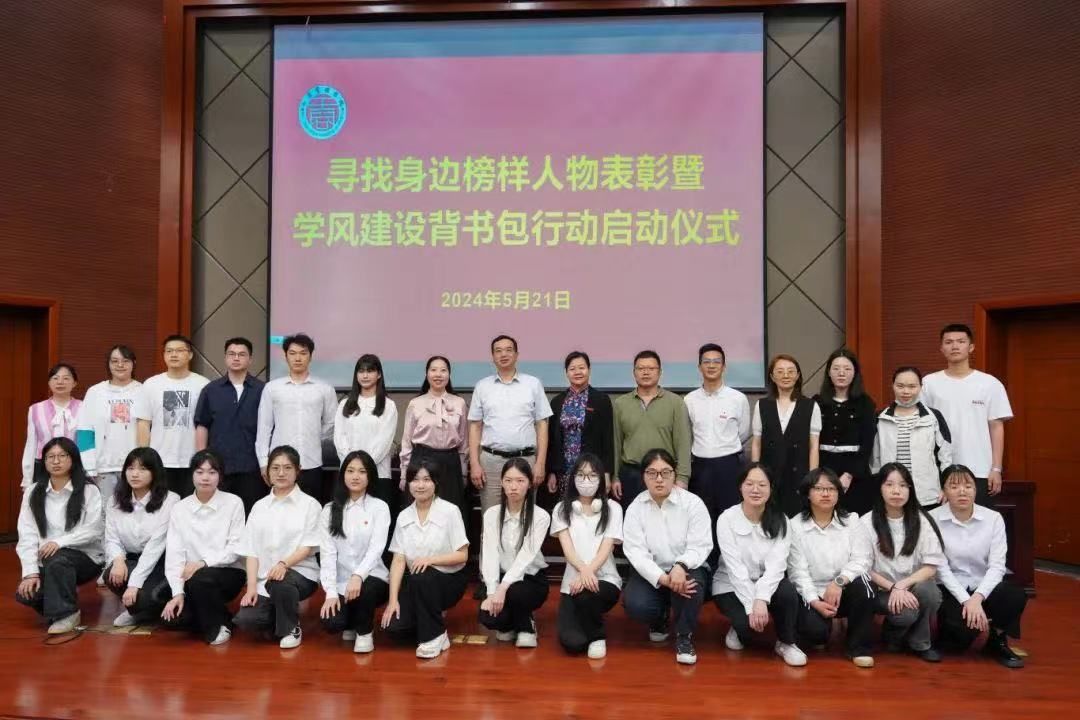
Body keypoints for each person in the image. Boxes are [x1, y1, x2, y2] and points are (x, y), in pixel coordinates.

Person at [622, 449, 712, 665]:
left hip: (687, 568)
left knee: (690, 587)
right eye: (652, 473)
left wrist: (681, 565)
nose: (659, 479)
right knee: (636, 604)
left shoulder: (693, 503)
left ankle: (684, 636)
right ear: (643, 476)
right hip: (654, 573)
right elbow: (635, 552)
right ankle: (659, 617)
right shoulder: (636, 508)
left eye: (665, 472)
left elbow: (700, 544)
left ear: (674, 474)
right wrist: (663, 578)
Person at [931, 464, 1026, 668]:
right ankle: (955, 632)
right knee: (957, 642)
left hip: (983, 586)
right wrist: (966, 600)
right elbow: (941, 569)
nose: (962, 491)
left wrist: (977, 598)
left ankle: (997, 639)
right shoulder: (932, 519)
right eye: (954, 486)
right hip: (950, 588)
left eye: (968, 486)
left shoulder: (993, 519)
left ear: (976, 489)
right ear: (944, 491)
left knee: (1014, 595)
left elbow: (997, 566)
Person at [712, 462, 805, 667]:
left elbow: (777, 566)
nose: (755, 490)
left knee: (787, 591)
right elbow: (735, 569)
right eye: (750, 484)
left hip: (767, 582)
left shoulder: (782, 520)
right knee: (747, 628)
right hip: (730, 584)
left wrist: (761, 598)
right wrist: (750, 605)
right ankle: (738, 627)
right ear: (740, 487)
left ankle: (786, 642)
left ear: (771, 488)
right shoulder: (726, 519)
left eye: (762, 485)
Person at [235, 445, 322, 649]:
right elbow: (251, 551)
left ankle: (291, 628)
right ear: (268, 472)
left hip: (300, 574)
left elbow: (307, 547)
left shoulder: (310, 505)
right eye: (275, 468)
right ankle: (281, 612)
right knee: (247, 620)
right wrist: (251, 587)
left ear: (298, 471)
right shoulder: (259, 506)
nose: (281, 473)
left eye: (287, 468)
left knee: (281, 583)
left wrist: (284, 564)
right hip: (266, 579)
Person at [14, 437, 104, 634]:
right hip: (48, 560)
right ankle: (62, 600)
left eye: (62, 456)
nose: (56, 461)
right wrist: (30, 573)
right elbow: (27, 534)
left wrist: (59, 542)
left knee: (58, 560)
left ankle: (67, 614)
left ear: (73, 459)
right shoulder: (33, 492)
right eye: (50, 457)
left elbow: (94, 530)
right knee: (26, 593)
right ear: (44, 461)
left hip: (86, 558)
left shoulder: (89, 490)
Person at [381, 460, 469, 659]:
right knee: (394, 629)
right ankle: (431, 619)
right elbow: (398, 561)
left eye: (426, 479)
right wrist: (393, 601)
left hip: (449, 580)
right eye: (415, 479)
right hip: (417, 582)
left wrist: (430, 560)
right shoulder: (404, 516)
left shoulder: (450, 511)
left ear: (435, 483)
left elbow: (462, 555)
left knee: (424, 575)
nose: (420, 485)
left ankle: (434, 636)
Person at [788, 468, 876, 668]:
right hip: (814, 592)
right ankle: (819, 630)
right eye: (819, 488)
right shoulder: (795, 525)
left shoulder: (852, 520)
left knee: (864, 585)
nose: (826, 493)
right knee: (816, 633)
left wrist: (839, 582)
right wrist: (814, 601)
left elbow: (863, 559)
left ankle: (858, 649)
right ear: (808, 493)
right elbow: (797, 572)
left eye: (831, 488)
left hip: (844, 588)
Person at [861, 462, 946, 662]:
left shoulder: (922, 520)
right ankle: (893, 634)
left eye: (903, 485)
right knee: (906, 613)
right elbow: (863, 568)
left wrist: (902, 585)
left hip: (912, 585)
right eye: (889, 484)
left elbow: (931, 566)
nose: (896, 491)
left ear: (910, 490)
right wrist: (893, 587)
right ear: (880, 488)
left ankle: (920, 643)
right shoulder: (865, 522)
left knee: (930, 593)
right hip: (881, 589)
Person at [160, 450, 247, 645]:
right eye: (199, 472)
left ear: (220, 476)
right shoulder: (180, 508)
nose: (205, 478)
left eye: (212, 472)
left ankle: (217, 627)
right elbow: (174, 555)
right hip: (190, 577)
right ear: (192, 475)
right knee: (173, 619)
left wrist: (202, 563)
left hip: (229, 572)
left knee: (201, 580)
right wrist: (177, 593)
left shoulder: (233, 503)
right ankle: (221, 616)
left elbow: (235, 548)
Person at [921, 323, 1013, 506]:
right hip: (939, 470)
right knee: (940, 522)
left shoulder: (990, 384)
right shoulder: (928, 383)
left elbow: (996, 427)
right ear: (941, 348)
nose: (954, 346)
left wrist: (996, 468)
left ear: (971, 347)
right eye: (949, 342)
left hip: (979, 469)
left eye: (961, 341)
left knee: (977, 520)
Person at [468, 335, 552, 515]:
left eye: (508, 350)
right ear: (492, 356)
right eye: (498, 351)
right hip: (491, 462)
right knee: (491, 516)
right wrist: (474, 463)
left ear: (516, 355)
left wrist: (540, 463)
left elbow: (542, 425)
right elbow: (475, 427)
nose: (503, 354)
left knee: (525, 517)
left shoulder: (533, 384)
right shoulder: (482, 386)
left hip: (525, 460)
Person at [551, 453, 623, 659]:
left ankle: (597, 636)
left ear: (601, 479)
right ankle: (587, 619)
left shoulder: (613, 509)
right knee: (573, 643)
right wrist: (583, 572)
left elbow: (607, 547)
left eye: (592, 475)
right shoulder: (561, 509)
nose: (586, 480)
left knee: (587, 595)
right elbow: (568, 550)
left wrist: (588, 573)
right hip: (572, 584)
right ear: (573, 478)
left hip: (605, 580)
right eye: (581, 475)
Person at [318, 451, 391, 654]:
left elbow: (376, 549)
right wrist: (331, 593)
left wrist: (358, 575)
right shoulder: (329, 510)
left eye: (362, 471)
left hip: (373, 577)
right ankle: (351, 621)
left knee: (365, 591)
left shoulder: (379, 507)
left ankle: (365, 632)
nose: (355, 476)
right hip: (342, 581)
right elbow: (327, 554)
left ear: (370, 476)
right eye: (350, 471)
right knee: (331, 622)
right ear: (343, 475)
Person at [684, 343, 751, 561]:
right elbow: (688, 435)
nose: (711, 366)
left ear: (724, 366)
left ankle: (732, 566)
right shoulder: (689, 400)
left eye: (716, 362)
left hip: (729, 466)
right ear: (699, 367)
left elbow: (743, 432)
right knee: (703, 518)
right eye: (706, 362)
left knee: (731, 517)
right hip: (700, 466)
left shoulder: (737, 398)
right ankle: (707, 567)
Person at [256, 333, 337, 503]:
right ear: (285, 356)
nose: (298, 358)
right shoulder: (272, 388)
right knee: (279, 509)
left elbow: (331, 424)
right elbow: (264, 427)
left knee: (312, 509)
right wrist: (264, 462)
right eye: (292, 353)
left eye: (303, 353)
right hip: (280, 465)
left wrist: (313, 437)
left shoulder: (324, 389)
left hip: (311, 463)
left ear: (310, 356)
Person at [103, 447, 180, 626]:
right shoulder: (114, 500)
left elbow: (155, 547)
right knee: (112, 575)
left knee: (148, 595)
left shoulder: (171, 500)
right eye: (130, 468)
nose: (135, 474)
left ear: (155, 472)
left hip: (161, 562)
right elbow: (112, 538)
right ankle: (136, 611)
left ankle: (143, 609)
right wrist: (118, 560)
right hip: (132, 559)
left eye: (143, 469)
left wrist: (134, 584)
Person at [478, 458, 551, 648]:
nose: (513, 486)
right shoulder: (491, 514)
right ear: (501, 482)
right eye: (508, 480)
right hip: (501, 577)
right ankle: (510, 623)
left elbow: (526, 557)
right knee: (488, 617)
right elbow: (490, 554)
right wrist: (492, 591)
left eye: (520, 481)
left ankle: (527, 627)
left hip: (531, 579)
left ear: (530, 484)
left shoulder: (540, 516)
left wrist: (502, 589)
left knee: (516, 593)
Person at [194, 337, 266, 515]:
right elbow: (202, 425)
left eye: (242, 354)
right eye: (231, 354)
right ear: (225, 358)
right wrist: (202, 460)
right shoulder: (211, 390)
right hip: (218, 467)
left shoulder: (263, 390)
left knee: (251, 514)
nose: (236, 358)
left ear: (250, 359)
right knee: (219, 515)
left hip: (252, 467)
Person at [612, 351, 692, 509]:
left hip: (663, 475)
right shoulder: (621, 404)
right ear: (634, 372)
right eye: (641, 368)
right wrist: (615, 476)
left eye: (651, 368)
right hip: (631, 474)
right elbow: (615, 443)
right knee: (632, 519)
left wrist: (682, 478)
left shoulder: (675, 403)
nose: (646, 372)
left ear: (660, 372)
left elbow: (683, 443)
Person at [136, 335, 210, 497]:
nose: (174, 355)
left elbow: (207, 424)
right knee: (159, 504)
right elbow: (143, 423)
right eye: (169, 351)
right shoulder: (151, 384)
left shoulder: (203, 384)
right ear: (164, 355)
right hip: (160, 459)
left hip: (192, 460)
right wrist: (144, 457)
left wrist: (204, 456)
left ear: (190, 355)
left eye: (179, 350)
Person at [77, 345, 146, 514]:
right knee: (103, 514)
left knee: (134, 513)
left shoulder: (144, 391)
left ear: (134, 363)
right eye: (114, 361)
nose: (120, 365)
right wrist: (89, 465)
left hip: (134, 467)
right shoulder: (95, 392)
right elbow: (84, 430)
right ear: (108, 364)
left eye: (125, 361)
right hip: (103, 468)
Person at [751, 354, 821, 517]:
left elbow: (814, 445)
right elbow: (756, 442)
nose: (786, 375)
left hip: (799, 473)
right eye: (780, 371)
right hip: (769, 473)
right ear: (772, 377)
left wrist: (813, 477)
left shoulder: (810, 405)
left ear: (797, 376)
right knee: (769, 519)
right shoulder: (762, 405)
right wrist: (755, 471)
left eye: (790, 371)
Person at [872, 367, 952, 508]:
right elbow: (875, 460)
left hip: (927, 494)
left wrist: (947, 486)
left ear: (920, 387)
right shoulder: (880, 418)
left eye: (912, 386)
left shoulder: (933, 417)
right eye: (900, 386)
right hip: (892, 494)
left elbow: (945, 456)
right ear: (893, 386)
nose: (906, 391)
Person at [400, 356, 469, 516]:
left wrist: (463, 472)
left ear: (449, 375)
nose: (438, 374)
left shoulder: (459, 403)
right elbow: (407, 441)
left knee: (451, 512)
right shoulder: (415, 403)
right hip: (422, 460)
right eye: (433, 370)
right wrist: (404, 473)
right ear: (427, 374)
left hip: (450, 463)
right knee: (422, 510)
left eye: (443, 370)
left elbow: (464, 441)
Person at [814, 349, 878, 515]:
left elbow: (867, 443)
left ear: (855, 372)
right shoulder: (817, 402)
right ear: (829, 372)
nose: (841, 373)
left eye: (847, 368)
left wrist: (849, 475)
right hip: (824, 470)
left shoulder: (865, 403)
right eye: (836, 368)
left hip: (855, 473)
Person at [545, 351, 614, 503]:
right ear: (566, 372)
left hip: (592, 470)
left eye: (581, 368)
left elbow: (608, 439)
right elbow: (552, 441)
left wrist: (607, 473)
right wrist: (552, 472)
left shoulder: (601, 400)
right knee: (567, 510)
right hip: (564, 471)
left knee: (591, 509)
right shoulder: (557, 402)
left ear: (589, 370)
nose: (577, 372)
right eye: (572, 369)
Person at [334, 354, 398, 512]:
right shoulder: (345, 403)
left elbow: (384, 441)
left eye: (370, 371)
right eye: (361, 371)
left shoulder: (388, 405)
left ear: (379, 374)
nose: (365, 375)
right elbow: (339, 437)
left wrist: (364, 467)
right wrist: (352, 467)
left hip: (378, 474)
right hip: (349, 475)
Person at [22, 363, 82, 489]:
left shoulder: (84, 408)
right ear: (49, 382)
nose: (60, 382)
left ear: (74, 383)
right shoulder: (35, 409)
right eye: (55, 378)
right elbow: (31, 444)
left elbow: (88, 444)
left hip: (75, 466)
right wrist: (27, 479)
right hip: (44, 467)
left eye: (66, 378)